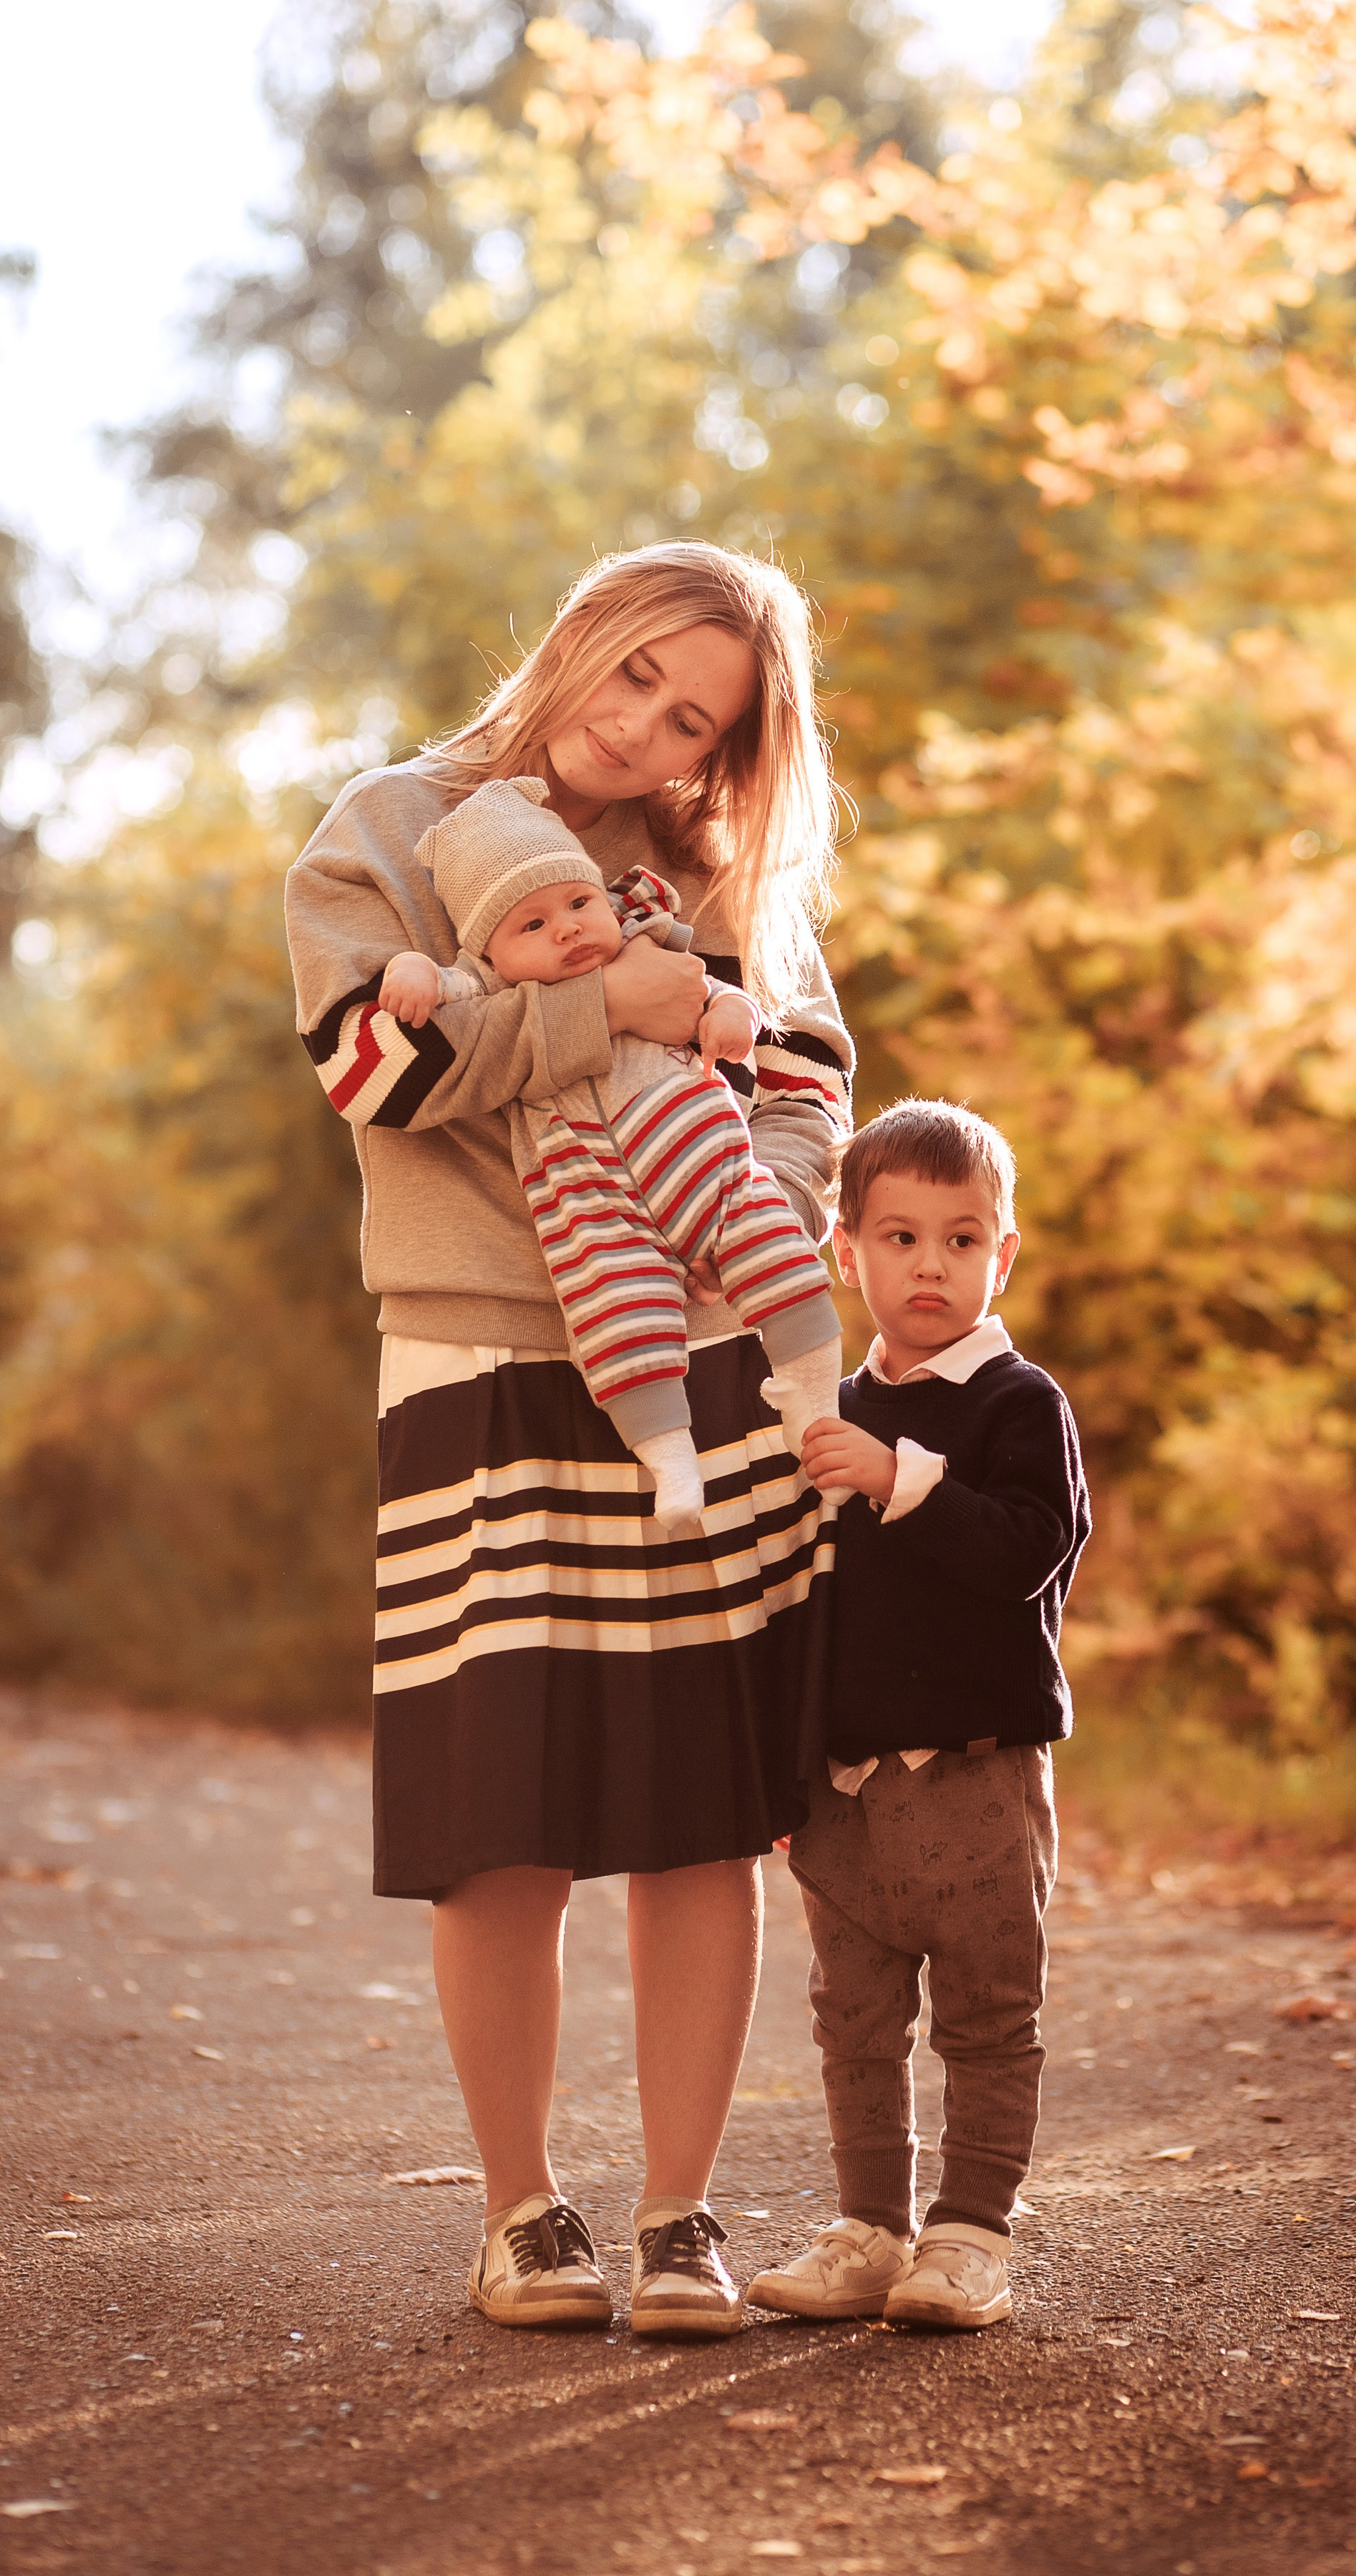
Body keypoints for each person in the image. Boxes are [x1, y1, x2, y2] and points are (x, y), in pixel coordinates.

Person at [285, 542, 853, 2342]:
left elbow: (805, 1080)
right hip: (471, 1359)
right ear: (576, 643)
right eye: (633, 681)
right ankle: (523, 2210)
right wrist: (599, 1008)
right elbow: (374, 1079)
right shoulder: (388, 826)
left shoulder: (715, 880)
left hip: (698, 1380)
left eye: (693, 721)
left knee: (699, 1816)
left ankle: (682, 2213)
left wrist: (745, 1237)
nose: (644, 733)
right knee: (501, 1814)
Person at [747, 1099, 1090, 2332]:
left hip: (980, 1778)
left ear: (1002, 1257)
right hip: (849, 1788)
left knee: (991, 2013)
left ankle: (970, 2236)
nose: (929, 1264)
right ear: (848, 1251)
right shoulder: (825, 1413)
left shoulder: (1017, 1404)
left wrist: (902, 1479)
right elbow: (800, 1614)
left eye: (960, 1239)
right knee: (853, 2018)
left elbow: (1028, 1552)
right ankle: (870, 2230)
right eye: (900, 1238)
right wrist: (780, 1777)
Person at [378, 778, 847, 1537]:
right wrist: (413, 972)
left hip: (703, 1156)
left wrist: (731, 1016)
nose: (566, 929)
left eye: (577, 903)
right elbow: (443, 994)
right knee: (616, 1320)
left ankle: (813, 1398)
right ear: (493, 949)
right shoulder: (491, 986)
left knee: (778, 1253)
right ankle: (671, 1464)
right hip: (586, 1192)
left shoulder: (649, 937)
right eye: (532, 923)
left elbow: (721, 994)